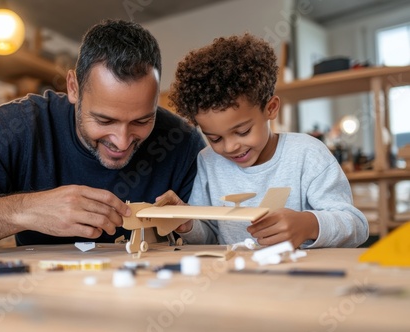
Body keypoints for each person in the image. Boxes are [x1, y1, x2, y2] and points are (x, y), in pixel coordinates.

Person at [0, 19, 206, 252]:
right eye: (104, 119)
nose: (122, 140)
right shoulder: (18, 128)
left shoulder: (182, 142)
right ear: (73, 88)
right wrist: (22, 210)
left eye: (142, 120)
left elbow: (214, 242)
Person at [158, 33, 368, 248]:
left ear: (271, 108)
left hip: (299, 276)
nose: (230, 147)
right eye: (215, 138)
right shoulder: (208, 161)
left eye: (243, 131)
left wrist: (308, 224)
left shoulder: (307, 154)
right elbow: (210, 235)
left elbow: (357, 226)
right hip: (233, 276)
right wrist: (187, 222)